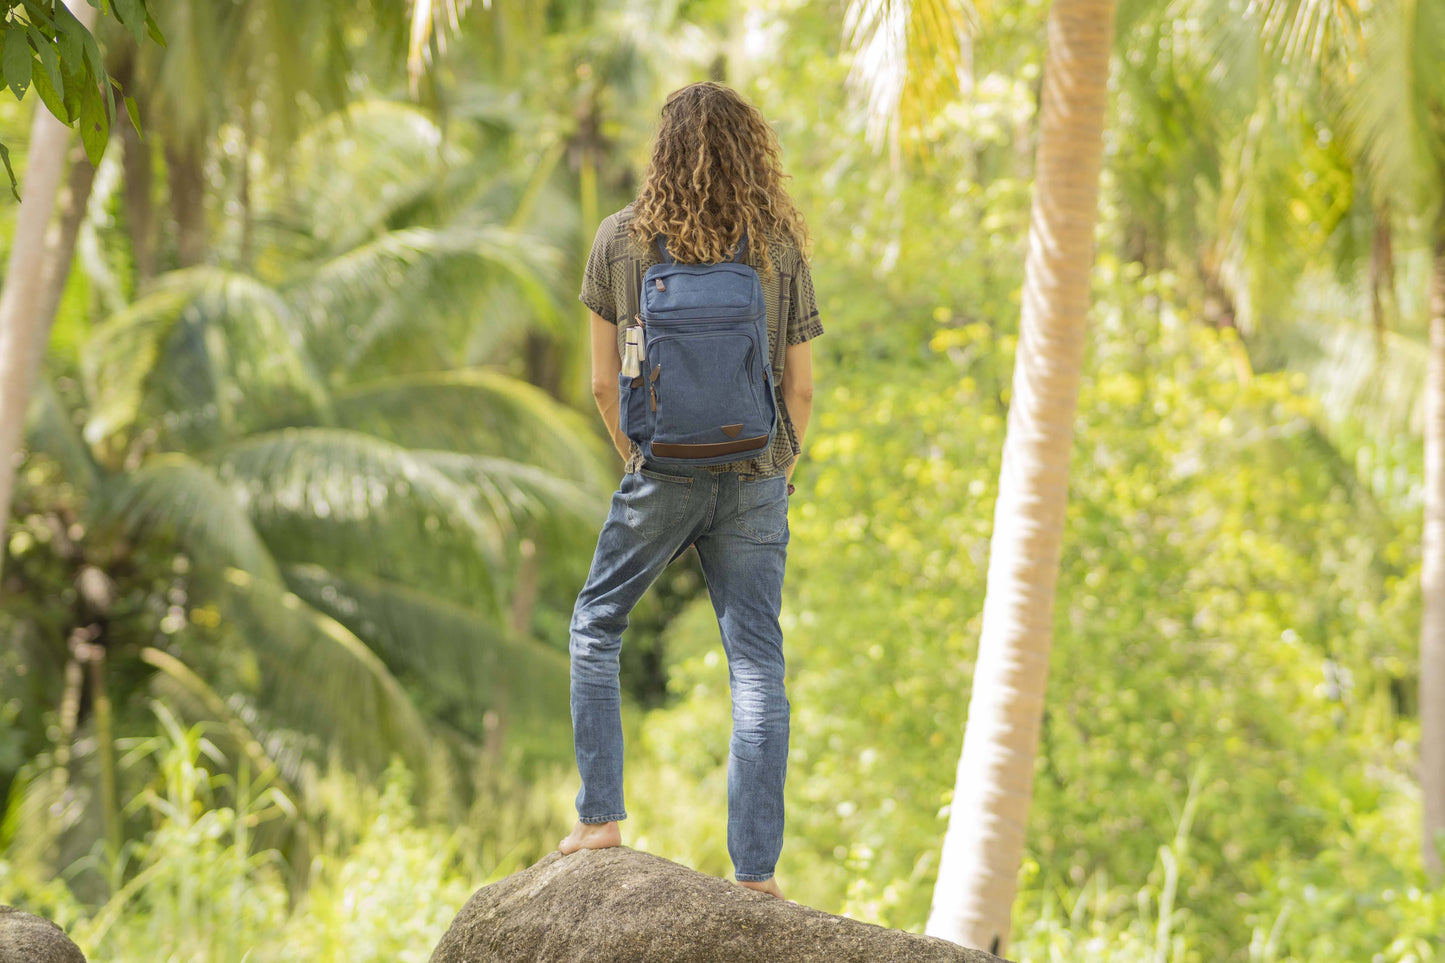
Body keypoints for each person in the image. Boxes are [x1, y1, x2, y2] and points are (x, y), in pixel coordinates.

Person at [557, 81, 823, 901]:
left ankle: (601, 819)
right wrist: (781, 463)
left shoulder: (620, 240)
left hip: (661, 470)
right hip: (753, 474)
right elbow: (801, 385)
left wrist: (640, 455)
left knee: (596, 625)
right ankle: (755, 874)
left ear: (662, 150)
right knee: (753, 666)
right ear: (752, 150)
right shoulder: (776, 241)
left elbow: (604, 384)